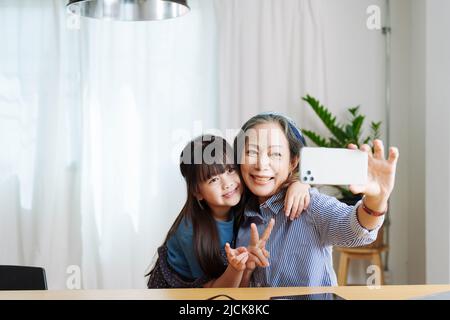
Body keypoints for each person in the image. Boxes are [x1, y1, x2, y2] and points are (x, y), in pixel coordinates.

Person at [233, 112, 399, 287]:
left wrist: (377, 199)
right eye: (251, 152)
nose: (261, 164)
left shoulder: (309, 204)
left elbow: (355, 230)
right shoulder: (238, 212)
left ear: (293, 162)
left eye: (275, 154)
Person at [146, 134, 311, 288]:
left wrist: (300, 184)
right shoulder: (190, 232)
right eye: (214, 179)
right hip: (185, 290)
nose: (227, 184)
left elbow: (279, 182)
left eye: (230, 170)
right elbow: (211, 293)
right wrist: (236, 269)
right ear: (197, 192)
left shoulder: (243, 195)